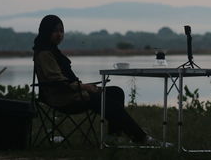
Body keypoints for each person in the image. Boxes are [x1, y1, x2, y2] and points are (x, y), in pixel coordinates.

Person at [32, 15, 148, 143]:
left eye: (61, 31)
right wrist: (85, 87)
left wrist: (84, 86)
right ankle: (141, 137)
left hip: (71, 91)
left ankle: (114, 136)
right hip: (62, 98)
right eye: (55, 31)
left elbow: (66, 81)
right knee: (102, 99)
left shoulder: (53, 50)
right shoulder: (44, 53)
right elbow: (58, 82)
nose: (59, 34)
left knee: (116, 92)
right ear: (46, 31)